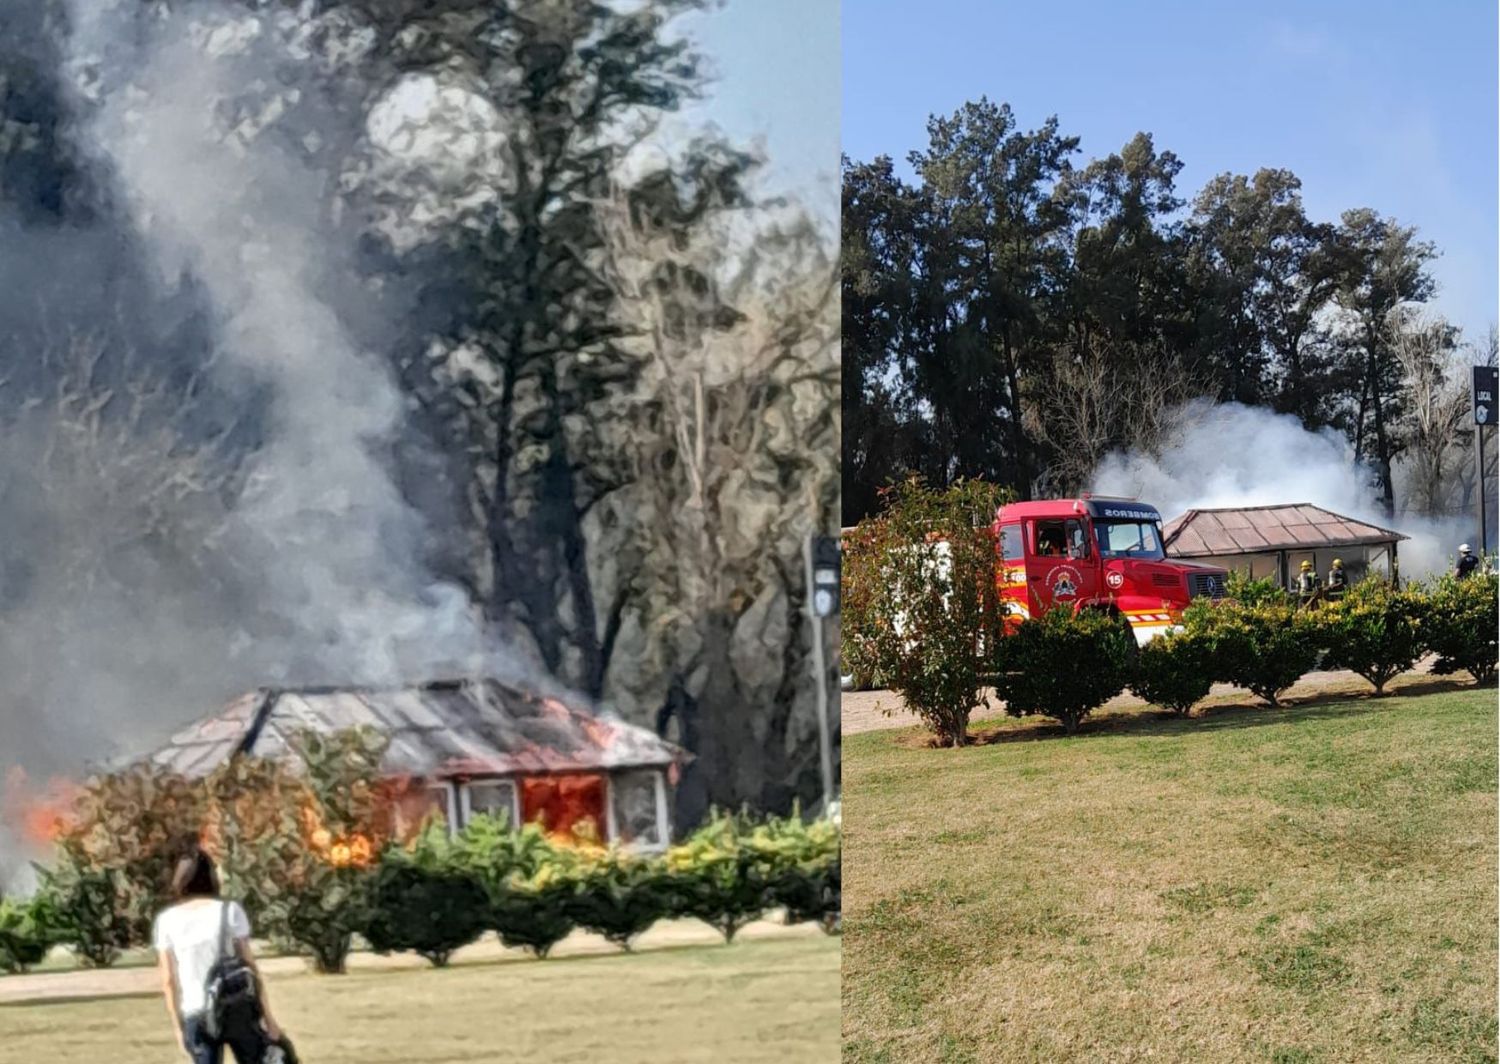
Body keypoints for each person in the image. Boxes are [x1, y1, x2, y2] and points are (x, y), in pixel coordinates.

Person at [154, 847, 282, 1064]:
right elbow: (249, 966)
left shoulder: (167, 920)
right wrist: (268, 1018)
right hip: (236, 1006)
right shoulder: (229, 911)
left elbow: (168, 980)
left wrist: (178, 1028)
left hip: (196, 1010)